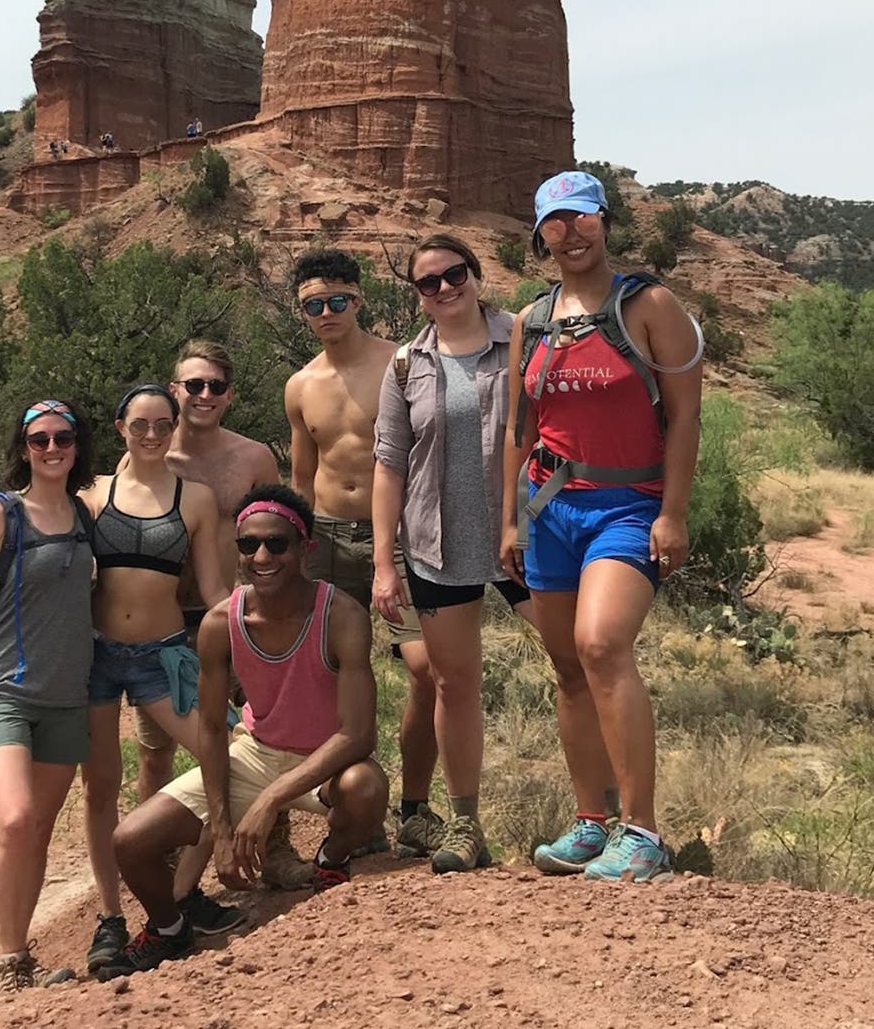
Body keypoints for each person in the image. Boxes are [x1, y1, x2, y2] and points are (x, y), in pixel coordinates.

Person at [500, 171, 703, 883]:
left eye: (583, 218)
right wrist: (511, 521)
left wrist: (673, 513)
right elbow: (520, 430)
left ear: (605, 221)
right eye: (555, 223)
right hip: (549, 506)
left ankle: (642, 833)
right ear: (540, 236)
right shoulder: (530, 320)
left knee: (601, 645)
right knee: (567, 667)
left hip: (628, 505)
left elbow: (685, 416)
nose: (571, 233)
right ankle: (591, 822)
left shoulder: (648, 304)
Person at [102, 487, 388, 978]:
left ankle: (331, 858)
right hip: (256, 754)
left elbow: (359, 735)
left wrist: (270, 800)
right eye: (248, 544)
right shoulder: (222, 623)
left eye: (277, 544)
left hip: (326, 759)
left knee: (366, 788)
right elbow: (213, 728)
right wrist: (221, 829)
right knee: (131, 840)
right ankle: (169, 928)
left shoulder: (341, 616)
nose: (261, 557)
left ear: (306, 548)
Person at [371, 234, 535, 874]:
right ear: (417, 294)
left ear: (476, 273)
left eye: (454, 274)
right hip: (436, 545)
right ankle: (466, 823)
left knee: (580, 662)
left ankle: (603, 816)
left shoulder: (522, 338)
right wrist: (384, 563)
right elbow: (390, 463)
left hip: (524, 537)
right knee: (455, 684)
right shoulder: (406, 364)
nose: (444, 288)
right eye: (428, 282)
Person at [285, 249, 438, 855]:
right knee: (329, 677)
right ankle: (360, 810)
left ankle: (416, 807)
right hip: (324, 537)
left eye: (337, 300)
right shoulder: (301, 385)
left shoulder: (399, 363)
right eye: (313, 305)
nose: (327, 312)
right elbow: (302, 476)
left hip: (396, 539)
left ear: (359, 299)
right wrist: (294, 552)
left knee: (426, 669)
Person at [77, 384, 232, 972]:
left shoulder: (195, 498)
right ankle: (111, 917)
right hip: (95, 656)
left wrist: (258, 628)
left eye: (162, 425)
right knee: (100, 788)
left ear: (174, 428)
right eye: (139, 424)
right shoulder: (91, 494)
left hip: (163, 657)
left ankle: (181, 894)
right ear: (120, 427)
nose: (151, 435)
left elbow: (213, 590)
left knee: (227, 758)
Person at [0, 398, 96, 994]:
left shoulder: (86, 512)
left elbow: (143, 470)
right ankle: (10, 961)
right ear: (23, 448)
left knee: (37, 832)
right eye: (40, 440)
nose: (52, 448)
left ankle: (21, 957)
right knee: (15, 819)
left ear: (78, 445)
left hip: (67, 697)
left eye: (63, 438)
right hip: (4, 693)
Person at [131, 340, 280, 801]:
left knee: (260, 735)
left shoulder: (253, 459)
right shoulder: (148, 455)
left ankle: (268, 833)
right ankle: (156, 839)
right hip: (162, 623)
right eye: (194, 384)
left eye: (216, 386)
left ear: (229, 395)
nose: (205, 395)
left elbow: (282, 534)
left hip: (230, 616)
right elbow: (106, 508)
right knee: (155, 751)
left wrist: (276, 613)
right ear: (175, 389)